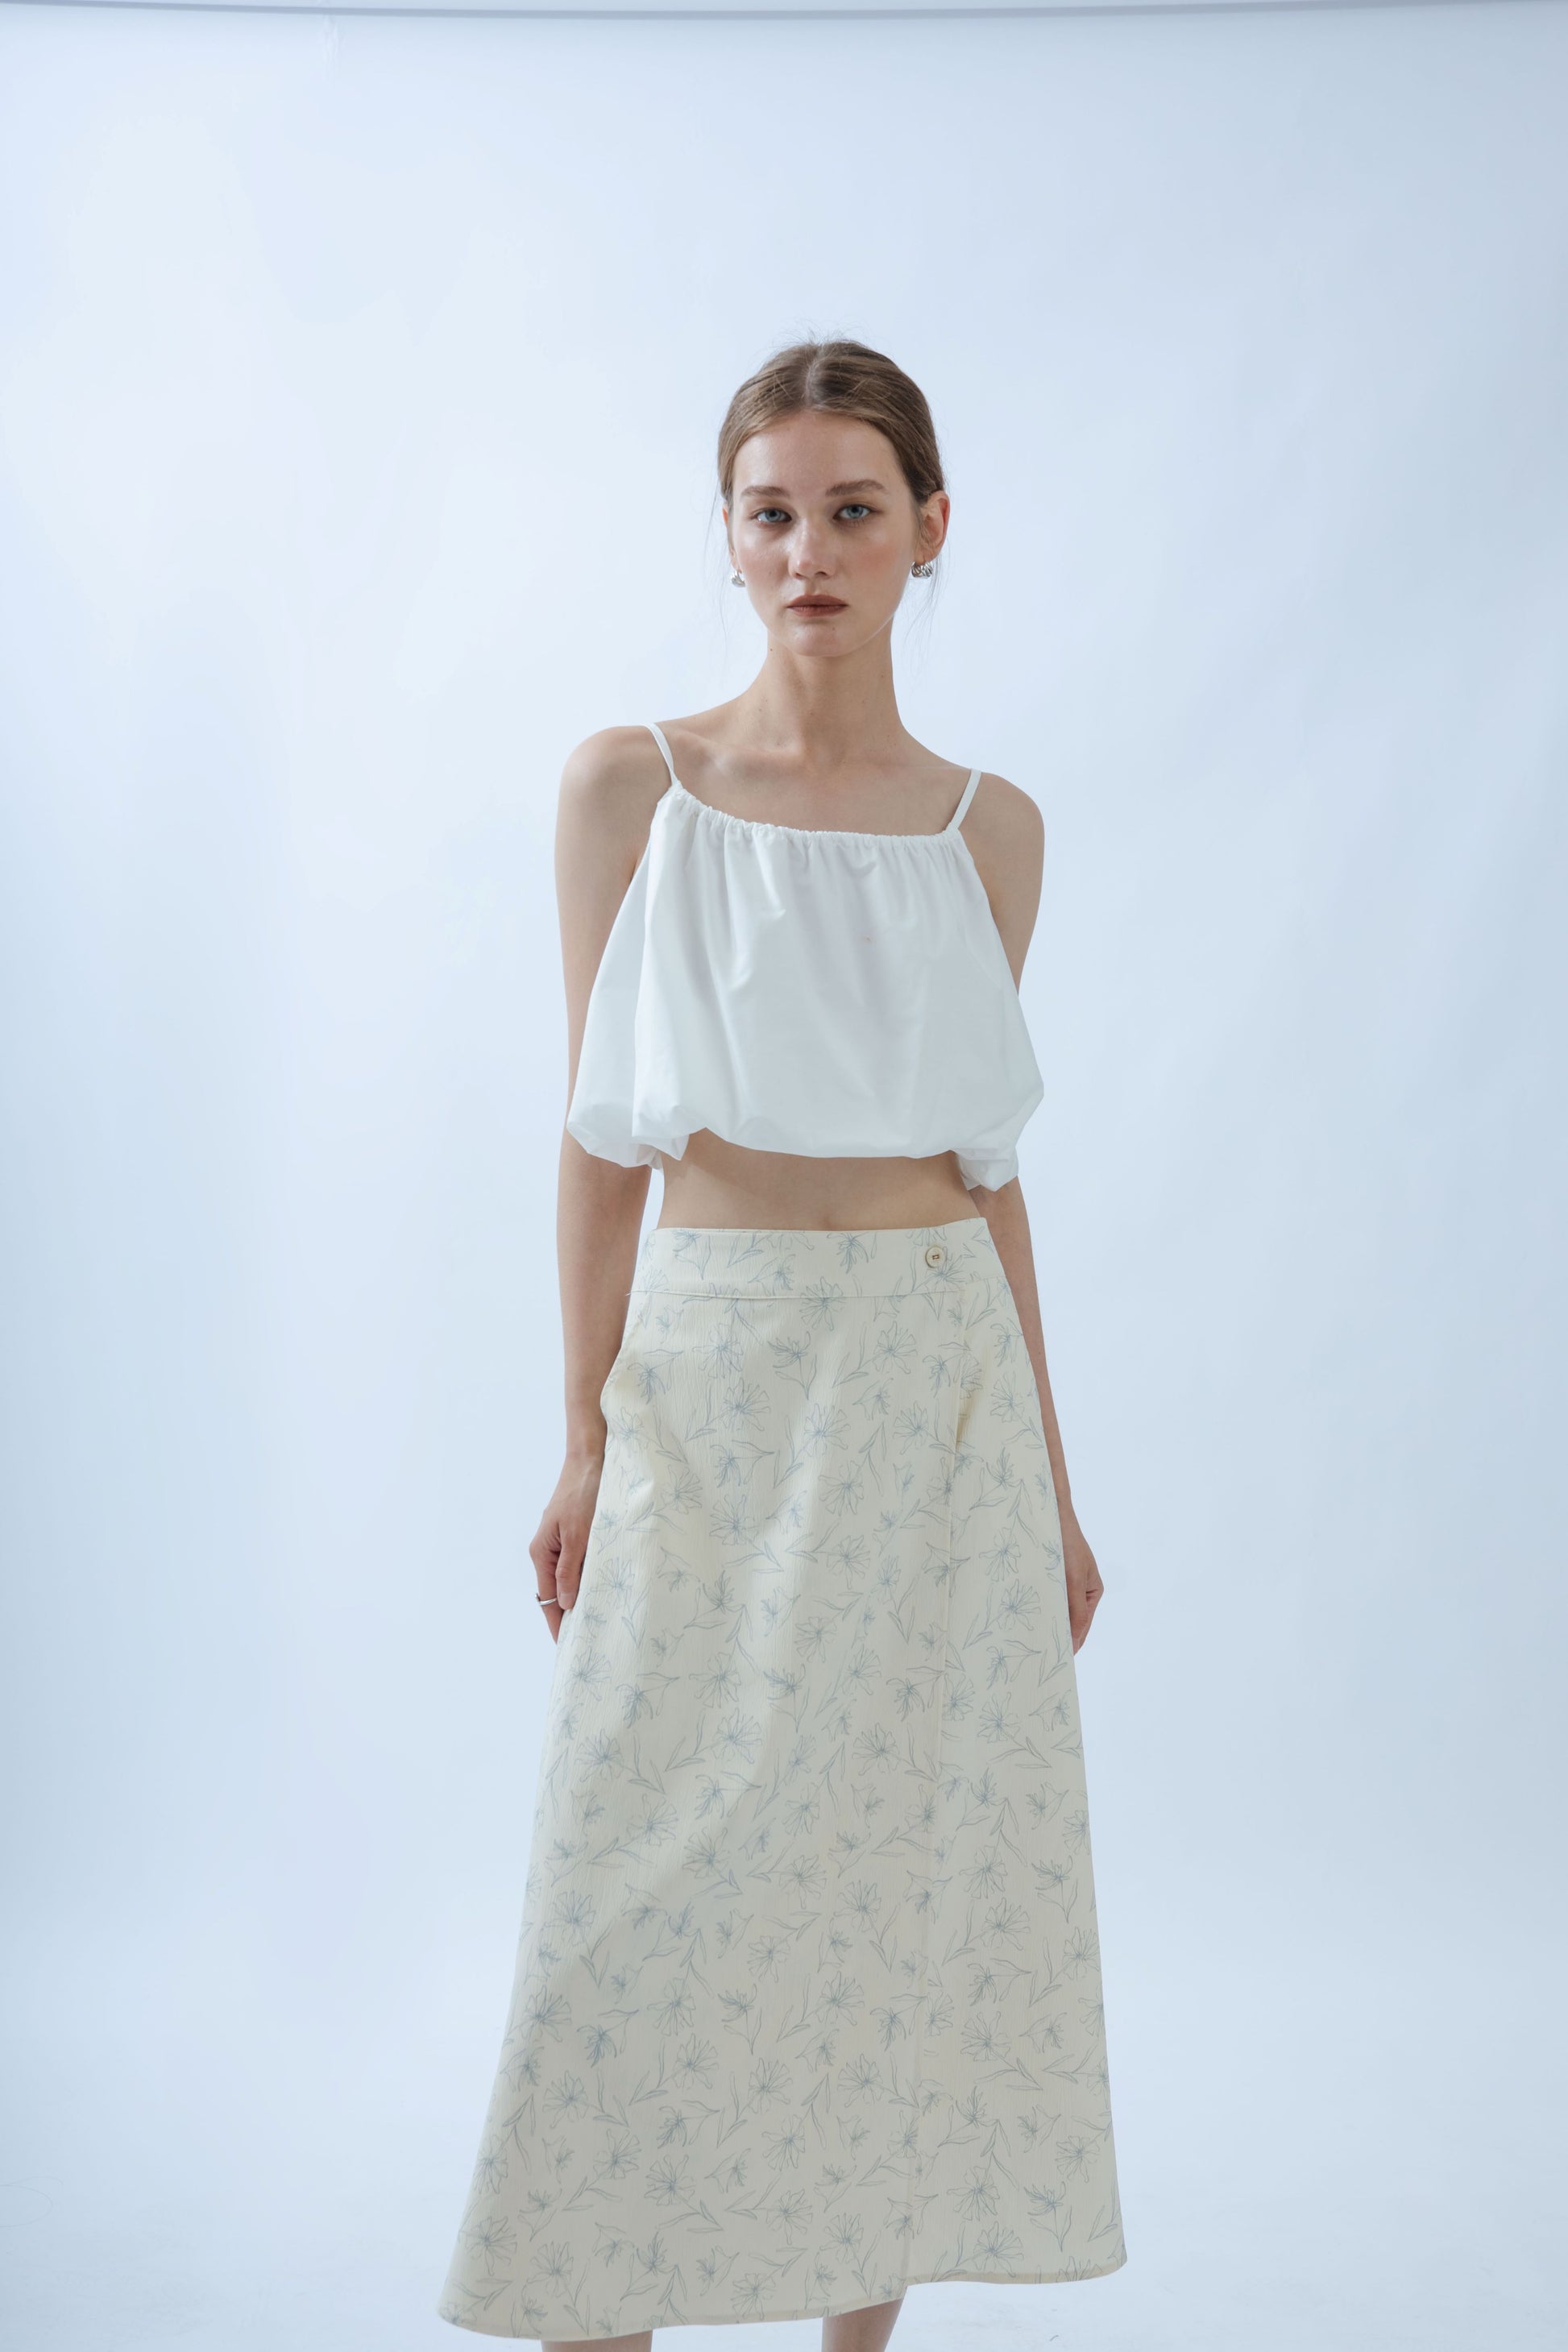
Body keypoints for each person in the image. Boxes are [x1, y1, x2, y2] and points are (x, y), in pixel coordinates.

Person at [438, 338, 1126, 2349]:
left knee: (889, 1877)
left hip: (935, 1387)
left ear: (926, 528)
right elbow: (598, 1143)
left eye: (851, 509)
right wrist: (582, 1434)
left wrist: (1055, 1485)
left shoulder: (988, 827)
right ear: (728, 537)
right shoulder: (630, 787)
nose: (808, 550)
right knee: (632, 1886)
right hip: (713, 1373)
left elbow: (987, 1174)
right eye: (771, 513)